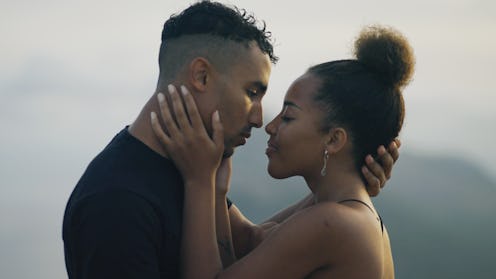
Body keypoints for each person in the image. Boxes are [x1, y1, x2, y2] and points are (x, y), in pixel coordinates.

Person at [62, 1, 398, 278]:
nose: (259, 118)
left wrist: (349, 178)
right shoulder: (117, 201)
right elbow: (258, 244)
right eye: (252, 92)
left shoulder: (195, 169)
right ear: (202, 76)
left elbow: (250, 244)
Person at [151, 25, 414, 278]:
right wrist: (217, 189)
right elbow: (252, 242)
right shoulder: (345, 212)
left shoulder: (333, 223)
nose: (270, 126)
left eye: (288, 117)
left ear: (334, 140)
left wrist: (199, 181)